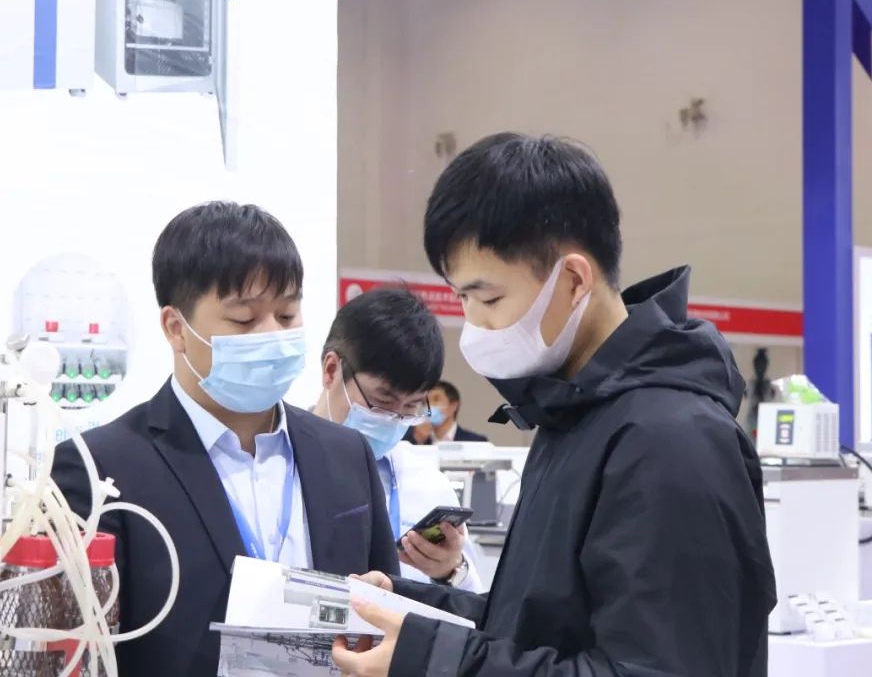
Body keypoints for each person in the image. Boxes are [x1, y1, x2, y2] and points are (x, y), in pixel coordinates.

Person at [332, 133, 775, 677]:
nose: (474, 325)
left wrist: (432, 660)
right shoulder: (575, 417)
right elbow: (536, 627)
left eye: (488, 298)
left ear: (572, 279)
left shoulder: (671, 441)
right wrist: (406, 607)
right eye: (463, 299)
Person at [52, 202, 399, 676]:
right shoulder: (100, 467)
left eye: (287, 314)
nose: (272, 335)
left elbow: (387, 614)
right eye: (244, 320)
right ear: (176, 328)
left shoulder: (346, 453)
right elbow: (79, 652)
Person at [312, 287, 485, 592]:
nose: (393, 419)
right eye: (382, 401)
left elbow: (473, 603)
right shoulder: (275, 463)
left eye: (411, 407)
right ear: (331, 370)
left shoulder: (426, 485)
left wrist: (451, 571)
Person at [403, 380, 490, 445]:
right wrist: (416, 441)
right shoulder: (409, 438)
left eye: (436, 399)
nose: (429, 406)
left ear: (453, 406)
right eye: (425, 402)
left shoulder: (476, 442)